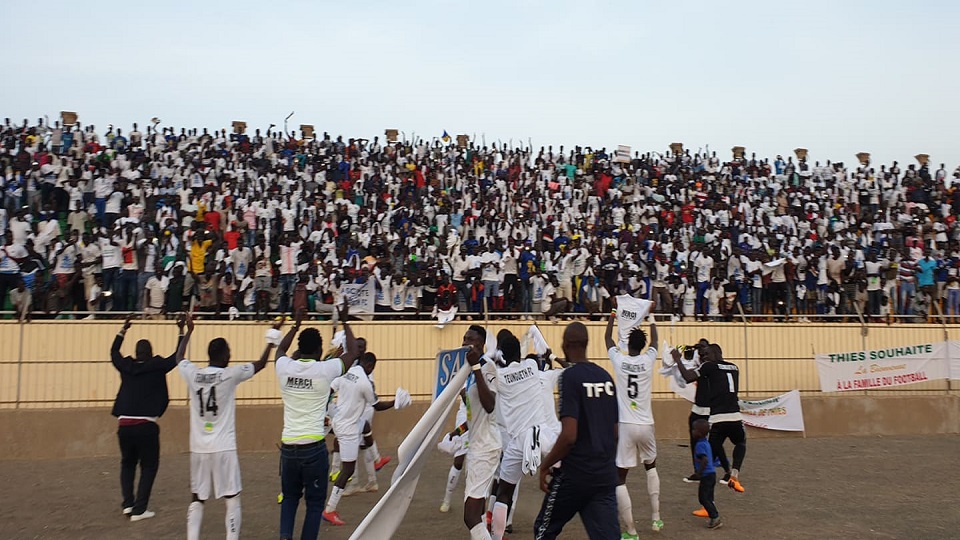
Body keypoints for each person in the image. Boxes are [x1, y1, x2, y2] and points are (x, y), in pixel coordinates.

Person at [176, 314, 277, 540]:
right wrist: (271, 341)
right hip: (224, 446)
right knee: (232, 497)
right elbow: (259, 365)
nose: (230, 355)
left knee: (197, 497)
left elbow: (179, 357)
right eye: (228, 351)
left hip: (199, 448)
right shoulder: (229, 375)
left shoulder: (194, 374)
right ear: (222, 355)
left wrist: (187, 331)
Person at [276, 305, 355, 540]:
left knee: (289, 499)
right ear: (320, 350)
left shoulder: (284, 367)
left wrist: (295, 324)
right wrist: (345, 321)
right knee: (314, 504)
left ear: (298, 349)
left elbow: (280, 349)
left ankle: (284, 537)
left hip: (288, 448)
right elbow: (351, 354)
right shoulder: (325, 369)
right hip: (314, 447)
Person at [534, 322, 619, 540]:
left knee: (544, 530)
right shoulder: (605, 377)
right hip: (604, 475)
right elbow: (615, 432)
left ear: (566, 344)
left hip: (576, 475)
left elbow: (569, 435)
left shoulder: (569, 378)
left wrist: (545, 465)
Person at [322, 352, 410, 526]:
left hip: (341, 420)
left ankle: (376, 461)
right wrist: (395, 402)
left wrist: (323, 409)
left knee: (365, 426)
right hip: (347, 429)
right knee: (347, 469)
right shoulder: (365, 382)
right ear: (370, 366)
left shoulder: (348, 371)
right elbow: (377, 406)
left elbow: (330, 388)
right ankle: (330, 509)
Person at [110, 314, 184, 521]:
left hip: (123, 423)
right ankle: (140, 509)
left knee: (127, 463)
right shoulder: (157, 365)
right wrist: (181, 331)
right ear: (150, 353)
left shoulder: (126, 366)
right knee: (149, 466)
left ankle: (127, 504)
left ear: (136, 353)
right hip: (146, 424)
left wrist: (123, 330)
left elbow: (114, 352)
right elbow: (177, 357)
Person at [489, 332, 557, 540]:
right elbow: (544, 354)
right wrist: (534, 334)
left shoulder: (499, 377)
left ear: (502, 354)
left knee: (503, 492)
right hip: (542, 435)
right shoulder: (532, 366)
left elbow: (489, 371)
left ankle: (496, 536)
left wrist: (492, 357)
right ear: (519, 353)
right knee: (565, 473)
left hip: (517, 441)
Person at [605, 307, 662, 538]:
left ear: (628, 344)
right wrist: (651, 317)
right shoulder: (649, 360)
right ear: (644, 346)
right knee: (651, 466)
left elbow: (608, 338)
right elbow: (656, 340)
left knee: (619, 478)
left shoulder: (619, 359)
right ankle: (656, 518)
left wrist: (612, 316)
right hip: (646, 423)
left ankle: (630, 531)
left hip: (626, 424)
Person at [675, 343, 746, 494]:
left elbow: (688, 377)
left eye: (707, 354)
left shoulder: (709, 367)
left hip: (717, 418)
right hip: (735, 416)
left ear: (715, 353)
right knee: (740, 443)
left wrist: (677, 360)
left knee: (708, 454)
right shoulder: (734, 367)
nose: (704, 358)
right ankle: (733, 474)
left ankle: (707, 499)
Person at [461, 324, 499, 540]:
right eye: (464, 338)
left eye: (471, 339)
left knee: (470, 515)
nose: (466, 342)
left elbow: (490, 404)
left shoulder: (487, 367)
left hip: (486, 446)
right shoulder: (466, 371)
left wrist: (476, 368)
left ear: (481, 344)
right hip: (476, 445)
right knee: (478, 511)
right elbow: (473, 413)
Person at [439, 392, 469, 513]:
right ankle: (447, 499)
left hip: (481, 420)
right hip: (466, 418)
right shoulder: (468, 376)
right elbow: (464, 396)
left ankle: (471, 500)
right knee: (459, 461)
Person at [691, 419, 723, 529]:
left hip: (706, 475)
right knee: (707, 497)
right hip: (711, 474)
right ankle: (713, 516)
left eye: (694, 430)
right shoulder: (706, 443)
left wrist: (699, 473)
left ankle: (715, 517)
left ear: (699, 432)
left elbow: (704, 459)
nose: (692, 431)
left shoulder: (700, 445)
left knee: (703, 498)